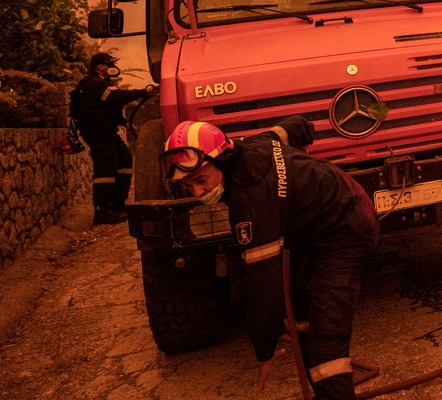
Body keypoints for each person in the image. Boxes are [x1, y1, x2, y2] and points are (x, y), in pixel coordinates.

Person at [162, 117, 379, 399]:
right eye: (189, 186)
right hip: (315, 233)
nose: (198, 192)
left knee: (326, 348)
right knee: (299, 315)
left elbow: (263, 285)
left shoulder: (250, 200)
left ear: (223, 159)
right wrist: (303, 152)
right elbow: (296, 126)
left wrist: (264, 353)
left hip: (347, 231)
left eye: (201, 180)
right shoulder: (253, 146)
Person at [68, 53, 156, 225]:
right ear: (100, 66)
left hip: (106, 131)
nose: (112, 67)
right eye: (109, 64)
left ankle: (117, 205)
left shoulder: (100, 83)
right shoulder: (92, 83)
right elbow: (115, 97)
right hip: (97, 133)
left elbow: (109, 107)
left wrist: (124, 123)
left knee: (124, 160)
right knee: (106, 169)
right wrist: (143, 92)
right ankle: (102, 212)